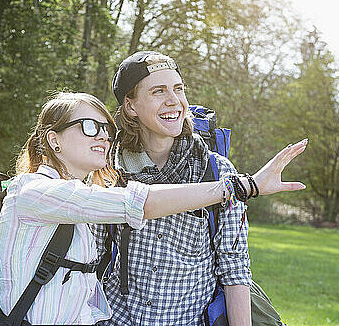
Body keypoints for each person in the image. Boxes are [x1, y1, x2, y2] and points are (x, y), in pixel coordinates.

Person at [0, 91, 307, 325]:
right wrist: (241, 186)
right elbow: (139, 204)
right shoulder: (34, 192)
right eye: (89, 126)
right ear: (54, 139)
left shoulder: (82, 196)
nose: (103, 136)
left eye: (107, 128)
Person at [93, 51, 281, 326]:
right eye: (158, 91)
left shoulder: (217, 172)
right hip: (116, 319)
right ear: (131, 106)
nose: (174, 101)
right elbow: (91, 258)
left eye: (178, 89)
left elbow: (235, 268)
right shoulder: (107, 171)